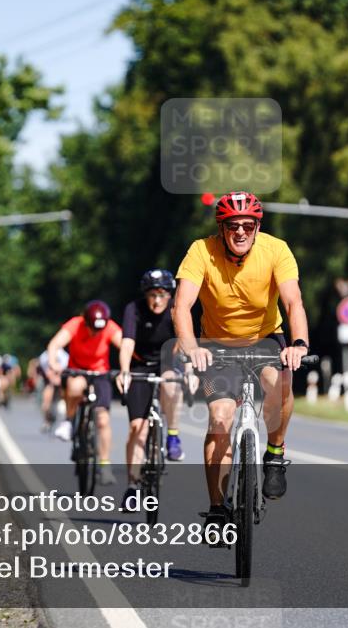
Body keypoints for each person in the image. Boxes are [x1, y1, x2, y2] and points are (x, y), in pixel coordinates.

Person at [173, 191, 310, 531]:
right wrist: (191, 348)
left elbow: (293, 302)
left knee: (280, 384)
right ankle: (218, 509)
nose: (240, 232)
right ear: (222, 228)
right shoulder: (200, 251)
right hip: (215, 344)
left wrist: (298, 343)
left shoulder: (276, 249)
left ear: (257, 227)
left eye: (248, 226)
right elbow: (182, 307)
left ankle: (275, 454)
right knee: (220, 418)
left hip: (265, 338)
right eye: (233, 225)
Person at [116, 269, 185, 512]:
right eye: (152, 295)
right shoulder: (133, 309)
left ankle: (173, 436)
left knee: (171, 383)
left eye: (162, 294)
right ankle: (132, 488)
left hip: (167, 362)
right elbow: (127, 342)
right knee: (138, 429)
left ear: (169, 295)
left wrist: (188, 370)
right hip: (139, 366)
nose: (157, 300)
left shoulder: (178, 308)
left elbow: (185, 340)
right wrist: (124, 370)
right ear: (145, 295)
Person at [46, 300, 123, 485]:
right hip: (77, 370)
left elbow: (125, 347)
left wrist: (127, 368)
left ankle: (104, 465)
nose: (95, 333)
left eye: (99, 330)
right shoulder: (75, 324)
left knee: (103, 419)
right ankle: (69, 421)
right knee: (74, 387)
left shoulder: (109, 327)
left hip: (100, 373)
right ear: (85, 322)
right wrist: (53, 362)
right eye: (92, 329)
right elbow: (54, 344)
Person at [37, 347, 69, 432]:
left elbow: (64, 370)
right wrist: (52, 379)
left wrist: (58, 379)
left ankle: (67, 420)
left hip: (62, 377)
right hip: (49, 380)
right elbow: (47, 373)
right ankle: (47, 419)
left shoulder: (63, 356)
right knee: (46, 399)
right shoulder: (44, 357)